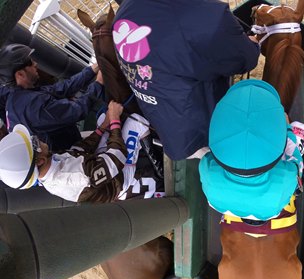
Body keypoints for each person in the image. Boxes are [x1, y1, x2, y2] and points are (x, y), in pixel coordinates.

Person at [112, 0, 260, 160]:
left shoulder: (123, 12)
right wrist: (251, 45)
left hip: (169, 129)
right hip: (205, 130)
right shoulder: (205, 16)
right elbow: (244, 59)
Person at [0, 101, 161, 203]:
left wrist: (103, 126)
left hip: (98, 162)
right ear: (40, 161)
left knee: (102, 118)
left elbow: (79, 149)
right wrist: (115, 121)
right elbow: (116, 158)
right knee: (136, 122)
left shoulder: (50, 165)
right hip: (118, 179)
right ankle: (161, 169)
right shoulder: (73, 177)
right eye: (34, 142)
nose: (38, 139)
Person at [198, 79, 304, 221]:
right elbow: (296, 166)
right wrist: (287, 129)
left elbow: (208, 157)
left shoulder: (209, 172)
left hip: (219, 204)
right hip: (269, 211)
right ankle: (299, 142)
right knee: (295, 149)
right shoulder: (284, 179)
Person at [0, 43, 104, 151]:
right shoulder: (33, 106)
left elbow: (60, 88)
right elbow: (78, 110)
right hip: (70, 158)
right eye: (30, 63)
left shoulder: (18, 97)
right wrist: (98, 83)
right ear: (20, 74)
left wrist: (92, 70)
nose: (35, 64)